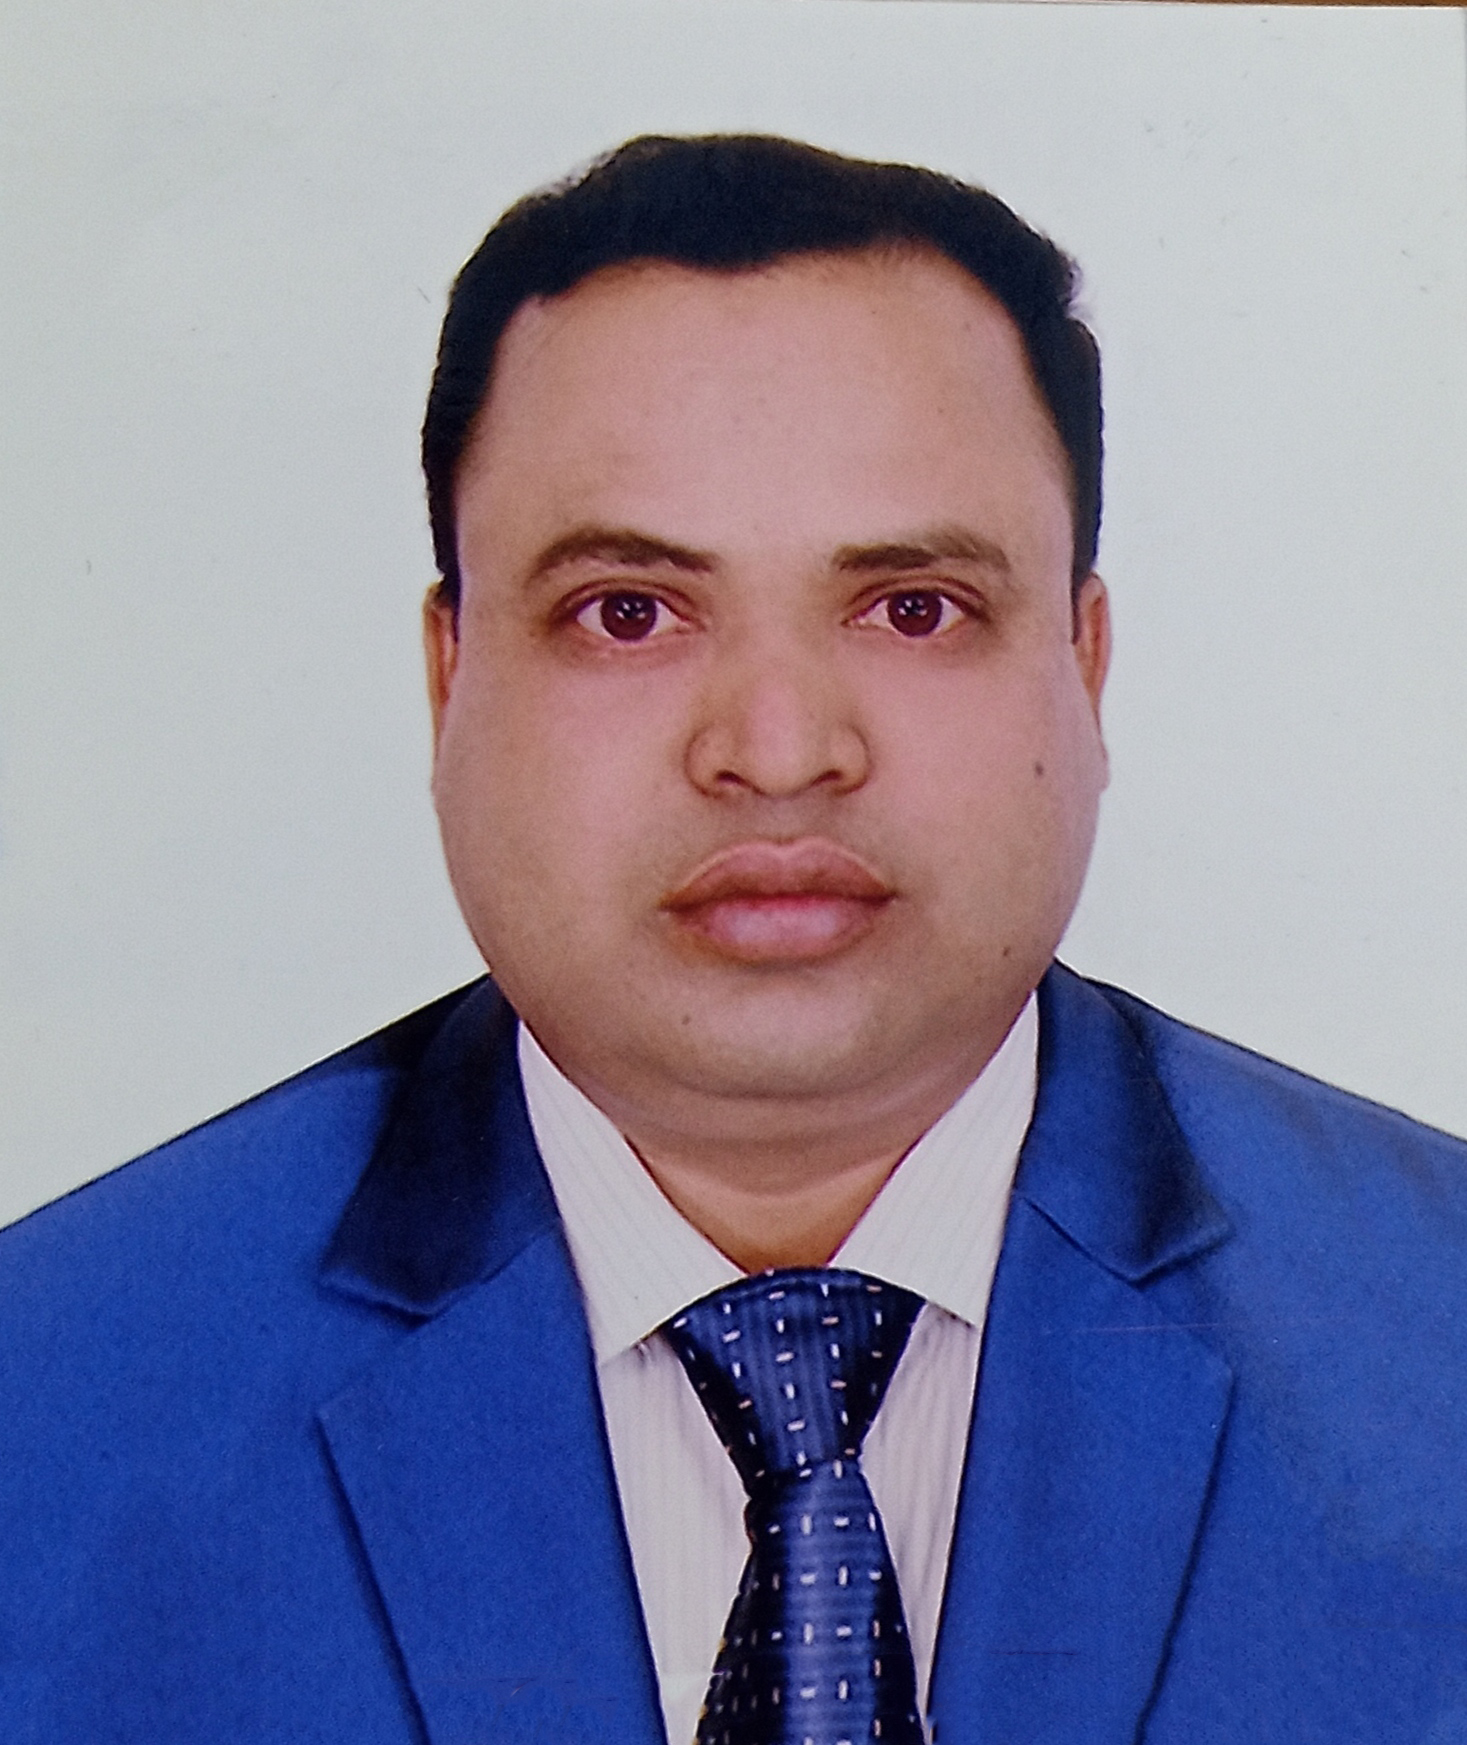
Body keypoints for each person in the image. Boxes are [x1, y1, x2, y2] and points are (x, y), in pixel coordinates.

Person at [3, 132, 1466, 1745]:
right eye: (628, 610)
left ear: (1085, 662)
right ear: (449, 676)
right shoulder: (46, 1398)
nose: (777, 750)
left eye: (912, 606)